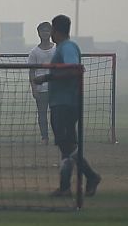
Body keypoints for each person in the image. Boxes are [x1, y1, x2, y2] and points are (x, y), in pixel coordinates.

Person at [33, 14, 102, 197]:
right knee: (66, 145)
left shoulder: (68, 47)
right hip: (60, 102)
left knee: (67, 144)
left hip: (66, 102)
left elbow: (73, 70)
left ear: (56, 30)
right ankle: (64, 187)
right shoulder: (62, 48)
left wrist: (47, 77)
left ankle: (91, 175)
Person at [28, 21, 54, 144]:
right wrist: (34, 88)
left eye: (47, 31)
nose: (45, 33)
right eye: (42, 31)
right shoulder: (34, 52)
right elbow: (32, 72)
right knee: (42, 114)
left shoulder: (57, 48)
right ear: (39, 33)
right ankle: (45, 137)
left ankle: (59, 137)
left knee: (57, 114)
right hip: (41, 88)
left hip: (56, 87)